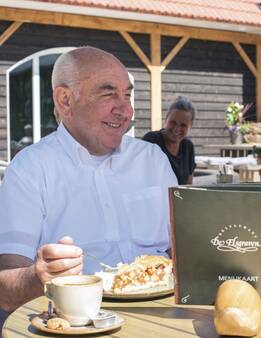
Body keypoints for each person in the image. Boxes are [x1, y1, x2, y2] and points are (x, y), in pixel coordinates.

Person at [0, 47, 177, 315]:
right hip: (77, 321)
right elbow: (5, 290)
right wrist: (38, 277)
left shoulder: (153, 160)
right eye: (108, 94)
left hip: (164, 314)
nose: (125, 110)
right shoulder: (29, 169)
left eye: (127, 95)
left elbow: (185, 250)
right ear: (65, 100)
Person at [142, 96, 196, 185]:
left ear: (190, 126)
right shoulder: (151, 141)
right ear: (166, 120)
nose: (177, 129)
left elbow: (188, 187)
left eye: (183, 125)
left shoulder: (188, 147)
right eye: (173, 122)